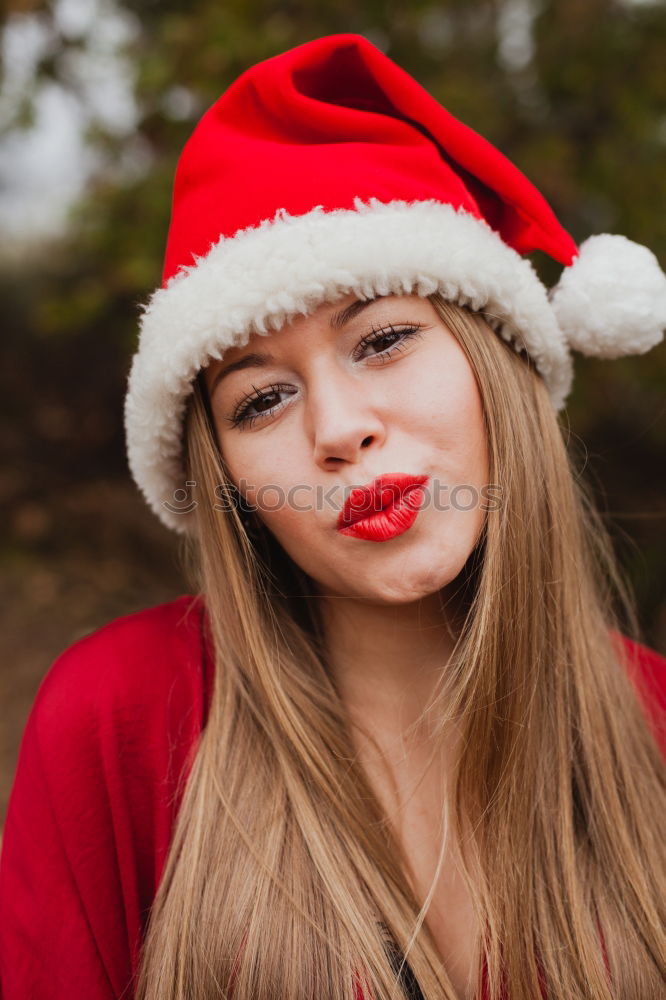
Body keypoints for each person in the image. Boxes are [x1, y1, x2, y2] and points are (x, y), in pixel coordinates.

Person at [1, 32, 665, 1000]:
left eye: (385, 338)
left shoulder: (654, 724)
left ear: (500, 363)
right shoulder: (116, 721)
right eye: (260, 400)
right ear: (226, 479)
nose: (340, 430)